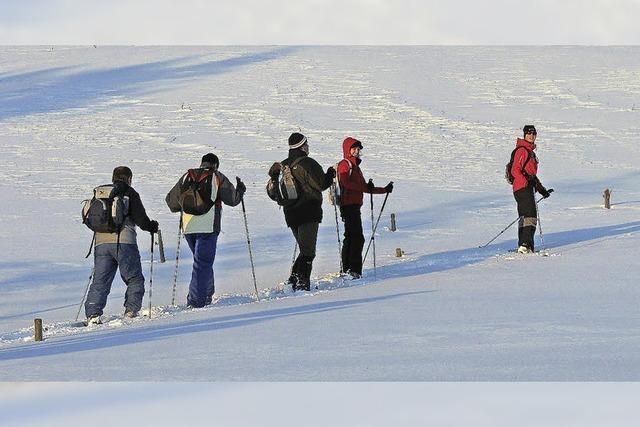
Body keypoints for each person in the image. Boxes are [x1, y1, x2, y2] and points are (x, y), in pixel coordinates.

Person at [167, 153, 245, 308]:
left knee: (202, 262)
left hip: (188, 227)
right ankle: (197, 301)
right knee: (202, 263)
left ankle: (207, 293)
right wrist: (240, 190)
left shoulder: (187, 176)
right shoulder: (217, 177)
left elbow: (171, 202)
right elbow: (233, 199)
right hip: (208, 227)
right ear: (215, 165)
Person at [85, 166, 159, 324]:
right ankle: (131, 311)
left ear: (113, 177)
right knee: (134, 278)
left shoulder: (101, 192)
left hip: (101, 243)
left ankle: (92, 313)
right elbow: (141, 219)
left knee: (100, 280)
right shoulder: (130, 193)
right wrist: (152, 226)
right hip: (124, 242)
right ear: (129, 178)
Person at [268, 133, 335, 291]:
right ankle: (301, 283)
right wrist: (330, 174)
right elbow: (321, 184)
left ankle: (293, 281)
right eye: (307, 144)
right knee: (308, 252)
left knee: (304, 249)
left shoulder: (283, 165)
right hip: (308, 211)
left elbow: (274, 192)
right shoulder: (307, 163)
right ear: (302, 146)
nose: (308, 147)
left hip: (291, 213)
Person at [337, 137, 393, 278]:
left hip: (353, 206)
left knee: (350, 237)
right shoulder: (345, 164)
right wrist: (364, 187)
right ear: (347, 149)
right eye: (354, 148)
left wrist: (384, 189)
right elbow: (345, 183)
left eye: (358, 149)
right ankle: (353, 270)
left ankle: (348, 269)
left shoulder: (355, 167)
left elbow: (365, 188)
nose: (357, 151)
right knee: (356, 238)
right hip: (349, 205)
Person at [511, 125, 553, 253]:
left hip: (525, 187)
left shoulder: (530, 152)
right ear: (524, 135)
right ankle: (525, 244)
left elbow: (532, 176)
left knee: (525, 215)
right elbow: (515, 170)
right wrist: (525, 182)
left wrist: (542, 190)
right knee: (530, 215)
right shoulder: (522, 150)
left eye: (534, 133)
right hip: (522, 188)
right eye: (529, 133)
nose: (531, 135)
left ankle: (524, 245)